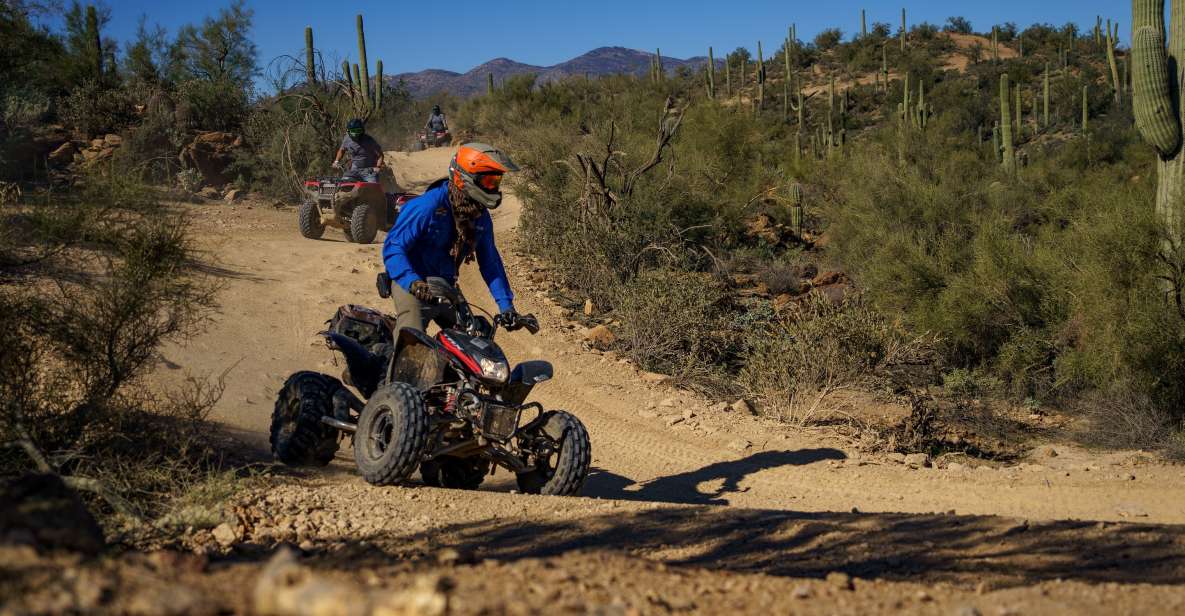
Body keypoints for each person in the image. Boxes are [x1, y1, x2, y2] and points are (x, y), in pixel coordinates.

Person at [381, 143, 520, 333]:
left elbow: (490, 262)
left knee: (476, 337)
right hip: (412, 281)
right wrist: (412, 281)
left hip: (444, 285)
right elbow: (394, 247)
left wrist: (506, 307)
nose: (493, 187)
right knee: (411, 340)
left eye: (496, 182)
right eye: (488, 182)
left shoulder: (480, 216)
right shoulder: (428, 206)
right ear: (465, 179)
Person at [332, 118, 384, 183]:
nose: (355, 134)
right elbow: (341, 150)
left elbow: (380, 155)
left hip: (369, 171)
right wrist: (336, 161)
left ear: (362, 130)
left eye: (358, 130)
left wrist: (378, 167)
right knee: (343, 184)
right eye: (353, 131)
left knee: (372, 187)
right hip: (354, 170)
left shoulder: (369, 140)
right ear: (348, 131)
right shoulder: (347, 138)